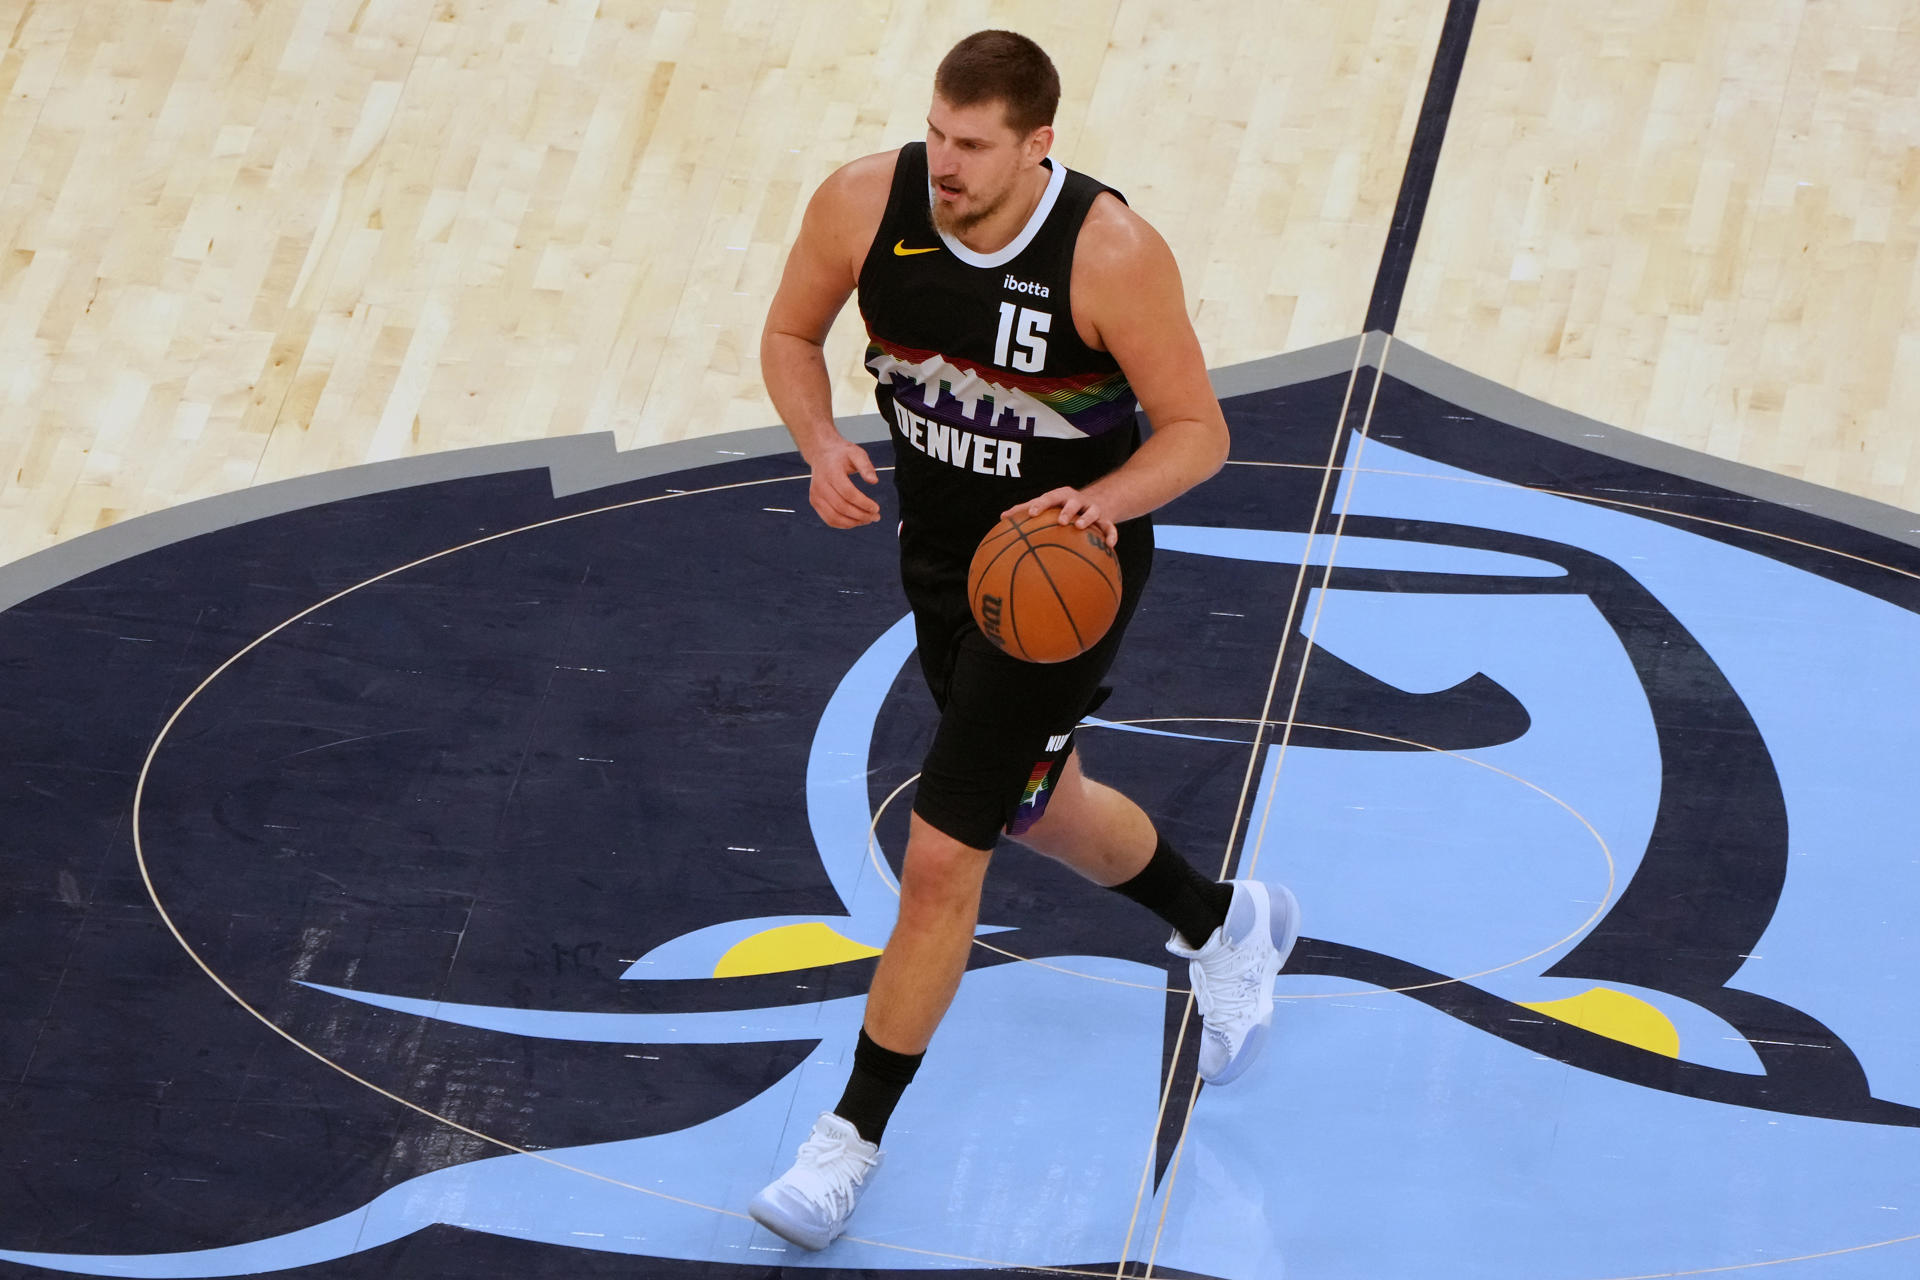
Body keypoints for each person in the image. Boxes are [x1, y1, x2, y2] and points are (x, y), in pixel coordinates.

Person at [748, 29, 1301, 1251]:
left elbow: (1197, 432)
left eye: (973, 144)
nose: (944, 162)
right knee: (1040, 806)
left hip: (1062, 581)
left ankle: (846, 1142)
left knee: (944, 856)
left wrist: (1097, 504)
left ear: (1038, 143)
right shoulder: (863, 203)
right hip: (944, 561)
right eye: (936, 134)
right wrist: (820, 441)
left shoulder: (1109, 253)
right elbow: (790, 336)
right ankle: (1225, 922)